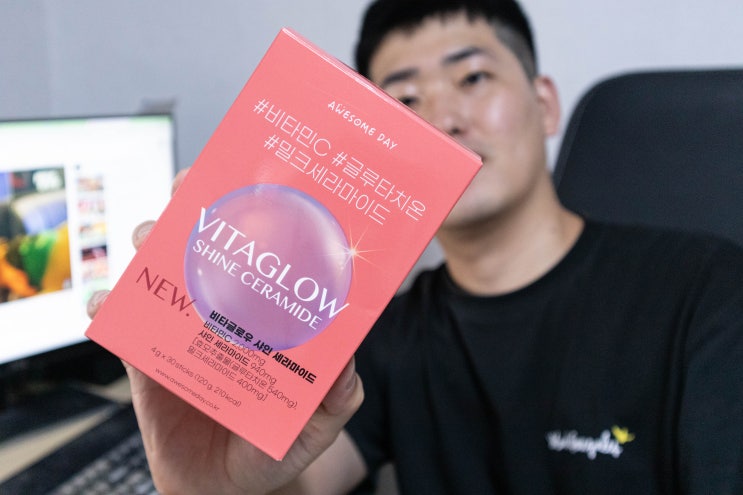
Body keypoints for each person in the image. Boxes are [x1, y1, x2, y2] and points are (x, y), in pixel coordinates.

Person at [88, 0, 743, 493]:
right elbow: (298, 477)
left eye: (473, 78)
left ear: (545, 104)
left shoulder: (708, 290)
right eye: (403, 98)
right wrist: (215, 486)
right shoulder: (378, 335)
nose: (440, 119)